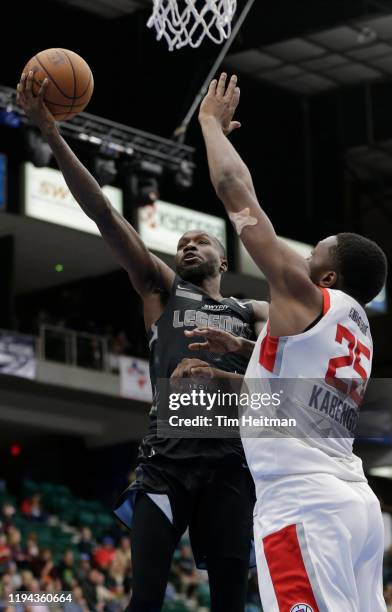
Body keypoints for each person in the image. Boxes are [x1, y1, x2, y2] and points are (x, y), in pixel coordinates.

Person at [17, 70, 269, 612]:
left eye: (198, 240)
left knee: (230, 599)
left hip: (230, 461)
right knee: (145, 596)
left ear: (224, 259)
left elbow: (292, 364)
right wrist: (51, 133)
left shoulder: (253, 311)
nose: (187, 246)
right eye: (180, 242)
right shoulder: (161, 288)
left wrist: (236, 357)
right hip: (167, 461)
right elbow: (104, 213)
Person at [198, 72, 388, 611]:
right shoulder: (358, 330)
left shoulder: (305, 296)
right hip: (355, 506)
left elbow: (237, 194)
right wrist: (243, 362)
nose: (301, 258)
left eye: (314, 255)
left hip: (304, 505)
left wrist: (211, 124)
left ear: (325, 279)